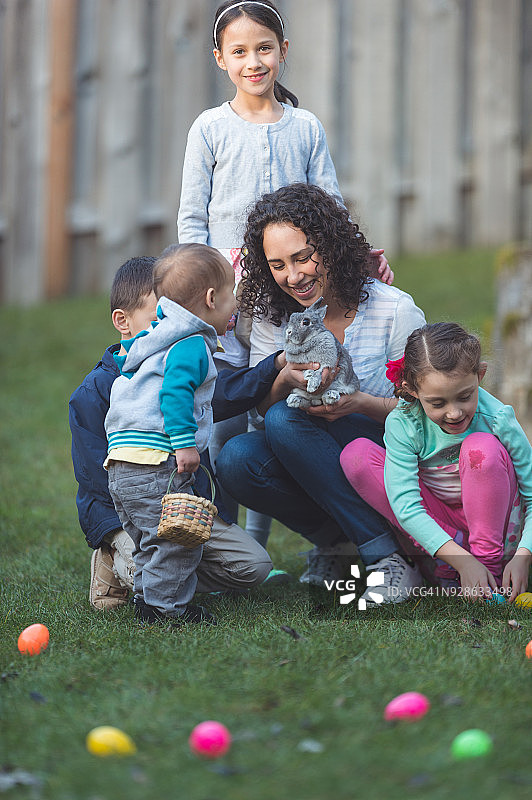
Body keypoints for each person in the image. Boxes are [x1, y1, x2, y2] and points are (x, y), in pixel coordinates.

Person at [177, 0, 393, 550]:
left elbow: (330, 203)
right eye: (240, 51)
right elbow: (191, 217)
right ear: (220, 58)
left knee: (277, 403)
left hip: (285, 288)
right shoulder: (209, 128)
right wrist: (196, 293)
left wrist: (361, 253)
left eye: (265, 48)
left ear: (283, 53)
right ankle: (222, 546)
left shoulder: (305, 126)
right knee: (223, 411)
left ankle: (265, 541)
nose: (254, 61)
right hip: (225, 293)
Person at [215, 183, 427, 603]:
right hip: (304, 445)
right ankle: (340, 545)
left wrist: (360, 403)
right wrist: (282, 379)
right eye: (277, 265)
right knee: (238, 459)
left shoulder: (394, 310)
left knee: (284, 419)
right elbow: (260, 414)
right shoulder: (276, 319)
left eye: (302, 257)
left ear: (330, 246)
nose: (293, 276)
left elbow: (426, 414)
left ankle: (389, 556)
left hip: (383, 451)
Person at [69, 254, 274, 616]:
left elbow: (220, 394)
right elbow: (175, 394)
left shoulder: (139, 357)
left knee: (216, 558)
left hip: (138, 479)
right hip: (149, 476)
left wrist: (274, 369)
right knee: (172, 547)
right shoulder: (185, 346)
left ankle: (152, 593)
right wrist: (183, 445)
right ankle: (163, 607)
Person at [340, 322, 532, 602]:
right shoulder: (404, 423)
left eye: (465, 397)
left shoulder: (497, 418)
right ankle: (451, 564)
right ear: (413, 390)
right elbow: (405, 505)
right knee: (356, 456)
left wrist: (524, 554)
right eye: (438, 403)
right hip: (443, 526)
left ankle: (490, 572)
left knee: (480, 448)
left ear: (480, 375)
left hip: (499, 527)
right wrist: (460, 559)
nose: (454, 413)